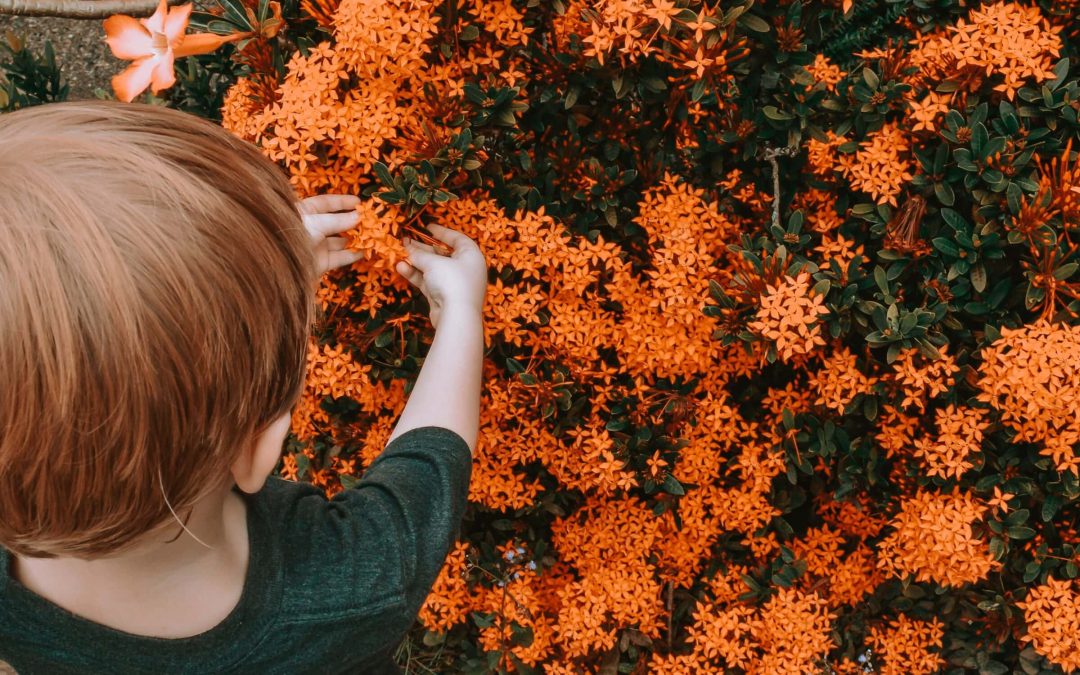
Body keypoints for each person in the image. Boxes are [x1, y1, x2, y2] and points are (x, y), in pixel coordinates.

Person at [0, 100, 486, 673]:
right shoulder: (351, 590)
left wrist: (254, 280)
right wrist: (461, 319)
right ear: (258, 448)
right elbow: (428, 473)